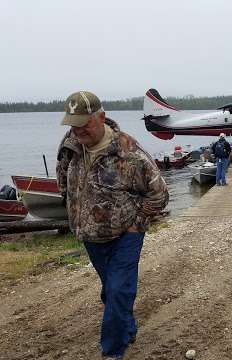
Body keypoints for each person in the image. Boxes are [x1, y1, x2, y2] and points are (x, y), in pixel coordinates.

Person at [56, 91, 169, 359]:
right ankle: (127, 328)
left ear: (101, 117)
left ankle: (113, 351)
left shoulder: (129, 152)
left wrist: (137, 223)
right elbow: (63, 180)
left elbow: (159, 194)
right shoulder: (70, 144)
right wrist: (73, 210)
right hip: (91, 235)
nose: (78, 130)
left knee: (119, 290)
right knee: (111, 290)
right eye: (74, 124)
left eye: (85, 123)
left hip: (126, 234)